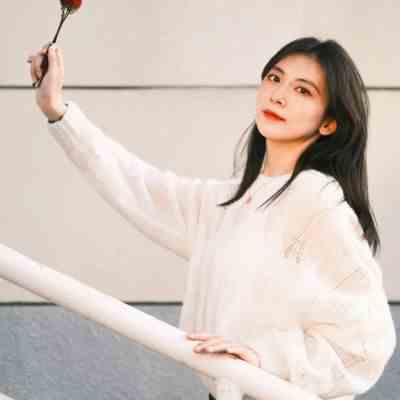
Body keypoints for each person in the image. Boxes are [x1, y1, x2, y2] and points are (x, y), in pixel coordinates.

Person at [27, 36, 396, 400]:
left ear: (328, 123)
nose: (279, 95)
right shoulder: (229, 203)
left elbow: (369, 339)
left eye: (303, 91)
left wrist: (265, 357)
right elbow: (138, 185)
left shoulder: (317, 200)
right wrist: (57, 111)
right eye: (274, 78)